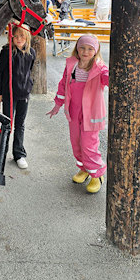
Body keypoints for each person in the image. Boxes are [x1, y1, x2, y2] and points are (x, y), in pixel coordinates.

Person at [46, 34, 109, 194]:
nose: (85, 51)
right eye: (82, 47)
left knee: (89, 144)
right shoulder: (71, 65)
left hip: (91, 112)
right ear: (77, 49)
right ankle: (84, 169)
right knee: (76, 142)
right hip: (74, 111)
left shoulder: (99, 68)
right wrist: (57, 105)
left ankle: (97, 175)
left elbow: (107, 79)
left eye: (90, 49)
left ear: (95, 51)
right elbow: (63, 85)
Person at [0, 25, 36, 170]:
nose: (19, 39)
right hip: (8, 94)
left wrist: (29, 86)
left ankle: (19, 154)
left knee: (20, 125)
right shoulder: (7, 52)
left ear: (27, 37)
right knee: (6, 124)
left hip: (24, 94)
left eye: (22, 36)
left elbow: (29, 72)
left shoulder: (31, 53)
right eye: (16, 36)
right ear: (11, 37)